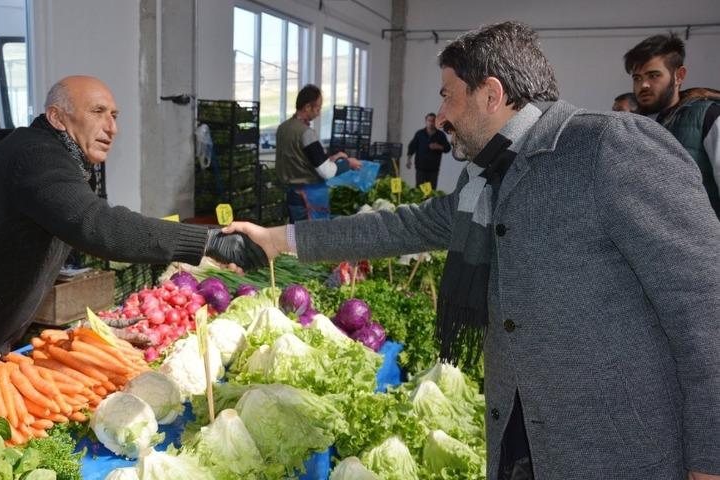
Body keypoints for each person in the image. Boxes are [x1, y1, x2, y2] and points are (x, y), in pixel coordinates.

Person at [227, 22, 720, 480]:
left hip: (614, 449)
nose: (440, 116)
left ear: (491, 93)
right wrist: (280, 239)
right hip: (520, 434)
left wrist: (710, 457)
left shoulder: (609, 147)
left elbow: (704, 305)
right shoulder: (485, 175)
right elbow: (407, 225)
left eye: (447, 96)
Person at [0, 75, 267, 384]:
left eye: (115, 115)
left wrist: (77, 332)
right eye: (97, 112)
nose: (112, 126)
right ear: (57, 117)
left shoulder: (57, 164)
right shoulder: (35, 154)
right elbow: (96, 224)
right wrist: (208, 241)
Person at [624, 33, 720, 216]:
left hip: (704, 241)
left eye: (653, 75)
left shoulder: (708, 116)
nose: (643, 85)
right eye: (637, 78)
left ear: (679, 76)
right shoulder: (630, 127)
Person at [275, 84, 361, 222]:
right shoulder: (306, 133)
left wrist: (333, 158)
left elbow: (300, 158)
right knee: (311, 239)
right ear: (307, 107)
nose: (319, 113)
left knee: (296, 234)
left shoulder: (283, 128)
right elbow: (326, 172)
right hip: (308, 197)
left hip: (291, 195)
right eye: (318, 108)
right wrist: (348, 163)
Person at [406, 112, 452, 188]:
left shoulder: (440, 135)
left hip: (433, 169)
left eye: (433, 121)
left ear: (436, 122)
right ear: (425, 121)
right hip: (420, 168)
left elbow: (448, 148)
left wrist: (439, 146)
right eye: (429, 120)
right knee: (420, 191)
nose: (431, 123)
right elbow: (412, 147)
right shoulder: (419, 134)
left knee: (431, 192)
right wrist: (408, 160)